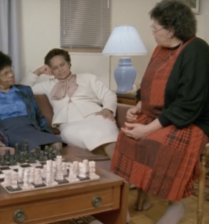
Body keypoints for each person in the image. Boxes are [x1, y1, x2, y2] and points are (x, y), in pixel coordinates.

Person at [111, 1, 209, 223]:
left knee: (158, 143)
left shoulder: (196, 49)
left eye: (155, 28)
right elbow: (148, 85)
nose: (152, 33)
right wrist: (138, 107)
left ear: (171, 30)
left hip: (191, 120)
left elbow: (188, 104)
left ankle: (176, 206)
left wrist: (147, 129)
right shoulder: (160, 50)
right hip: (161, 115)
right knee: (126, 136)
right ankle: (120, 210)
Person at [20, 48, 119, 158]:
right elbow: (21, 90)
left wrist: (107, 109)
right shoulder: (46, 85)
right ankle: (117, 161)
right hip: (69, 125)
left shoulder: (88, 78)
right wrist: (38, 72)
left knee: (105, 129)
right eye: (55, 68)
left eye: (62, 65)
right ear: (50, 70)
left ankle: (117, 163)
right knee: (71, 133)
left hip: (96, 116)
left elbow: (108, 95)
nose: (60, 70)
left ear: (69, 64)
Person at [0, 51, 62, 151]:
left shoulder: (25, 91)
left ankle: (48, 164)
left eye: (10, 70)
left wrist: (47, 133)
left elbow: (39, 116)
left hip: (30, 128)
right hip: (7, 132)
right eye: (5, 74)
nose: (11, 75)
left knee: (57, 144)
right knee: (33, 148)